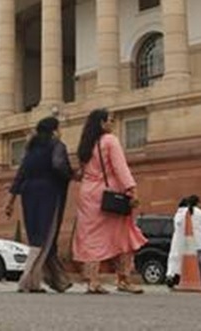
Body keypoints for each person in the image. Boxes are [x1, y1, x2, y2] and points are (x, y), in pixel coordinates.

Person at [71, 108, 146, 294]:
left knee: (91, 237)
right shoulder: (110, 141)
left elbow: (80, 173)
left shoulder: (86, 144)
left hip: (87, 194)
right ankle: (123, 279)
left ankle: (92, 281)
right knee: (124, 235)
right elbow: (120, 168)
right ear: (102, 123)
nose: (112, 123)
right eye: (109, 120)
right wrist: (132, 190)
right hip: (108, 193)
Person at [5, 116, 73, 294]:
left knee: (35, 235)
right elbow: (59, 165)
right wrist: (72, 175)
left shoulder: (30, 149)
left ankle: (36, 281)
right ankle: (26, 279)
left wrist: (10, 201)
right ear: (54, 130)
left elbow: (20, 174)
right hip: (48, 192)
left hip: (28, 193)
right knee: (46, 235)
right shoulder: (57, 145)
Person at [166, 195, 201, 287]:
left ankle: (173, 276)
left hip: (180, 242)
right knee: (199, 263)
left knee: (176, 260)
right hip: (197, 242)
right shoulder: (199, 213)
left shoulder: (178, 214)